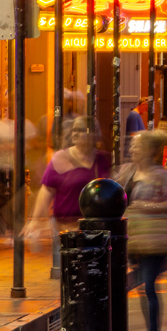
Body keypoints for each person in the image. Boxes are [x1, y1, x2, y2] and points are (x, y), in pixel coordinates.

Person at [116, 130, 167, 331]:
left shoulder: (159, 175)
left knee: (148, 285)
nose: (132, 150)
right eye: (132, 146)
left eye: (137, 146)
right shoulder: (128, 172)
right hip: (134, 239)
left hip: (154, 239)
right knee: (141, 287)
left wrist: (148, 207)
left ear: (151, 151)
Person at [23, 117, 111, 275]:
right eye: (74, 130)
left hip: (94, 228)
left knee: (93, 274)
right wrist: (35, 221)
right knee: (70, 274)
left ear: (93, 134)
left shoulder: (102, 159)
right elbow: (47, 191)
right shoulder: (61, 158)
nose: (75, 134)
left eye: (81, 130)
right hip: (66, 228)